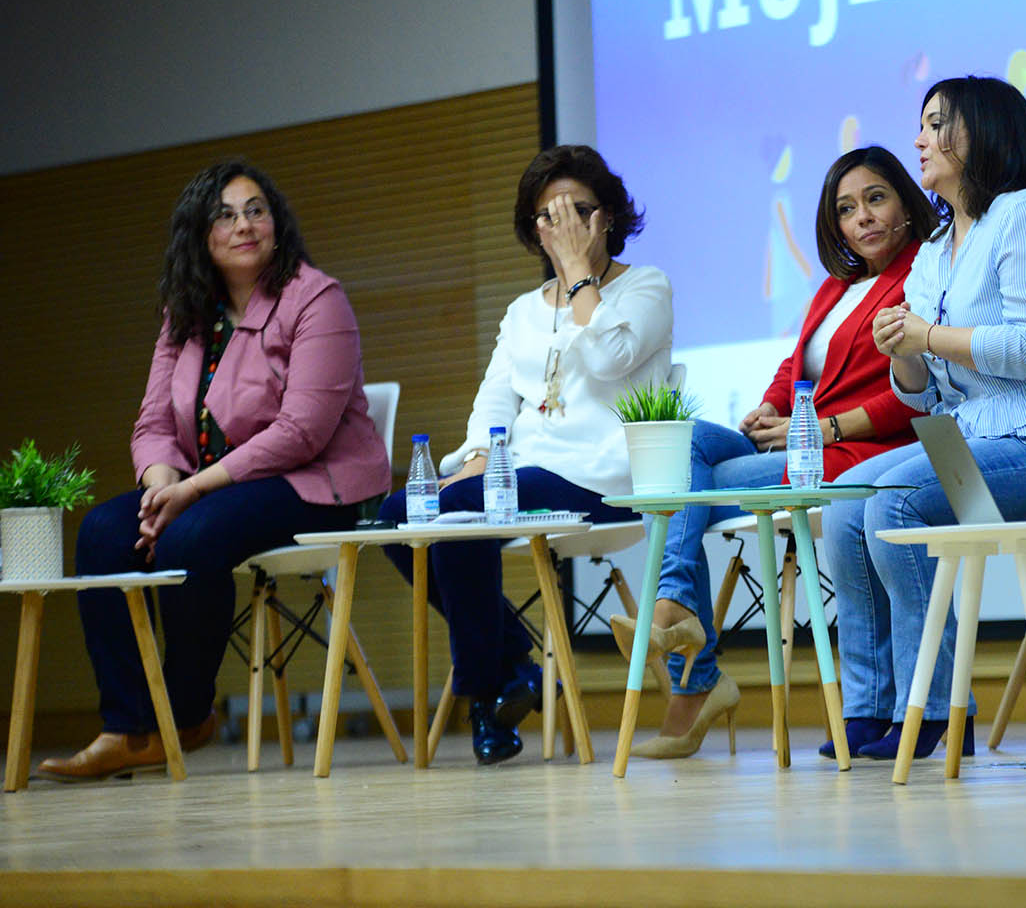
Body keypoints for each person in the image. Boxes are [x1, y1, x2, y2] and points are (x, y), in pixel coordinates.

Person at [43, 161, 392, 782]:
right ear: (199, 235)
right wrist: (159, 490)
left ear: (277, 224)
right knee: (101, 531)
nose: (244, 224)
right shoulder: (187, 315)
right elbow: (152, 423)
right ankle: (128, 726)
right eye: (226, 214)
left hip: (316, 485)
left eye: (256, 209)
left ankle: (186, 716)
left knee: (193, 534)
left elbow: (302, 431)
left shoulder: (317, 298)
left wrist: (190, 491)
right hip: (204, 488)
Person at [823, 75, 1026, 761]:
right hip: (980, 435)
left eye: (934, 124)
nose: (918, 140)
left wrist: (924, 336)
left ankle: (928, 707)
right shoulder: (935, 249)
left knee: (893, 503)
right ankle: (868, 707)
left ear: (980, 133)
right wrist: (901, 350)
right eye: (921, 124)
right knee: (846, 504)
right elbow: (921, 396)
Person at [608, 146, 940, 759]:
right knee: (683, 442)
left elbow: (917, 394)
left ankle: (680, 625)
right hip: (799, 437)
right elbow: (797, 365)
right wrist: (769, 407)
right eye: (846, 208)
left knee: (697, 478)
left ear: (904, 201)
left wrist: (820, 428)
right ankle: (676, 605)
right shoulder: (836, 286)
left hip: (860, 450)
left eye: (875, 199)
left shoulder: (923, 275)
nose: (861, 217)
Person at [379, 145, 673, 765]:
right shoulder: (522, 311)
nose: (562, 228)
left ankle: (490, 690)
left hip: (600, 481)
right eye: (548, 217)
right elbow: (494, 399)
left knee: (455, 516)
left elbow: (609, 358)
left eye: (578, 212)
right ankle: (512, 658)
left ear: (608, 217)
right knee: (395, 517)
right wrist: (481, 453)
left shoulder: (645, 286)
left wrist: (578, 274)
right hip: (520, 476)